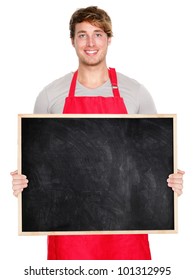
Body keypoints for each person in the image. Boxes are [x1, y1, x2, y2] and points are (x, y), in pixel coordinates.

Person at [11, 6, 184, 260]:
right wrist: (24, 183)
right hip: (69, 233)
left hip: (127, 232)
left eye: (98, 34)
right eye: (82, 35)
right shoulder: (50, 96)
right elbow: (39, 167)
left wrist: (170, 182)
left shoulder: (135, 93)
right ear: (72, 41)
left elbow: (154, 162)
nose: (90, 42)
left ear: (109, 39)